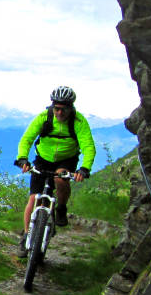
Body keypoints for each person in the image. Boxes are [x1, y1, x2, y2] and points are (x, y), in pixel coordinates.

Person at [13, 86, 96, 257]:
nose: (59, 113)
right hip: (43, 159)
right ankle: (26, 235)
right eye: (56, 108)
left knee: (60, 179)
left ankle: (61, 208)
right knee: (33, 198)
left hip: (66, 160)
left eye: (63, 109)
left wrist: (84, 168)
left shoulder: (79, 122)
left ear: (70, 108)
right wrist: (22, 158)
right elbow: (27, 138)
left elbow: (88, 146)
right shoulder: (44, 117)